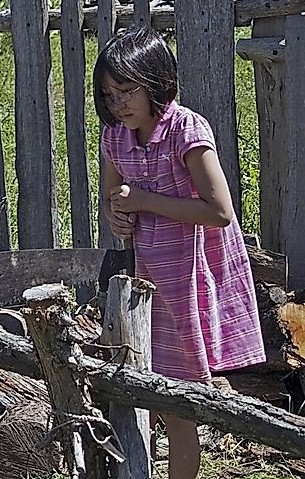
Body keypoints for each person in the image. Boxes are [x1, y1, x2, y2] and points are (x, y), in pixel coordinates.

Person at [94, 26, 265, 479]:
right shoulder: (116, 137)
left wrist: (144, 201)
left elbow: (219, 212)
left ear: (157, 81)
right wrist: (119, 215)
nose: (118, 104)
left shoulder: (185, 129)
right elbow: (114, 201)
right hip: (146, 277)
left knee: (178, 401)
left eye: (127, 91)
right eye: (109, 94)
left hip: (189, 274)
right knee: (143, 385)